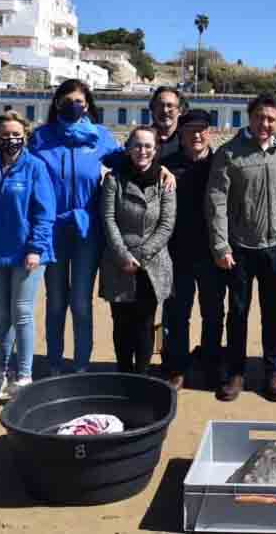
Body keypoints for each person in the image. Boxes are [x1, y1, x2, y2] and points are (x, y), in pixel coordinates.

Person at [29, 80, 122, 375]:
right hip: (51, 229)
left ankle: (81, 364)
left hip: (87, 231)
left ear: (88, 105)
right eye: (67, 100)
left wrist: (163, 169)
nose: (73, 105)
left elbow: (131, 162)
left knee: (81, 302)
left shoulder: (99, 137)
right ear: (56, 103)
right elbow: (20, 168)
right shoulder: (41, 138)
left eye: (79, 101)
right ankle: (54, 363)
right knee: (55, 302)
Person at [207, 93, 276, 402]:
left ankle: (273, 373)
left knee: (274, 313)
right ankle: (236, 373)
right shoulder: (229, 153)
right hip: (239, 247)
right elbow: (216, 202)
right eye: (259, 117)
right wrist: (221, 245)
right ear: (249, 117)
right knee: (238, 312)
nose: (264, 123)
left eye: (270, 118)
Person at [0, 112, 55, 402]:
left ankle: (24, 376)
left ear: (26, 135)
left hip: (28, 254)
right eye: (4, 134)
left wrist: (36, 247)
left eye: (15, 134)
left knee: (22, 313)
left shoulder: (35, 167)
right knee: (3, 316)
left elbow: (45, 212)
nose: (10, 140)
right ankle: (1, 374)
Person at [160, 109, 228, 389]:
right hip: (177, 252)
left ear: (209, 133)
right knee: (177, 312)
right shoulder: (166, 164)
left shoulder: (221, 163)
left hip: (212, 251)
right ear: (181, 134)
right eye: (190, 130)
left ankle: (210, 362)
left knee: (213, 311)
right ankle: (177, 366)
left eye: (202, 129)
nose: (197, 135)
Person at [100, 127, 176, 374]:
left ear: (155, 150)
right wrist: (124, 255)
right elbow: (108, 219)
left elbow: (166, 225)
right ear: (129, 148)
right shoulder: (114, 179)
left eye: (148, 146)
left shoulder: (165, 182)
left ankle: (143, 373)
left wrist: (141, 256)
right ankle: (124, 372)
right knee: (121, 324)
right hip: (118, 262)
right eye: (137, 145)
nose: (142, 151)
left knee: (148, 325)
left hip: (152, 263)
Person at [149, 86, 184, 160]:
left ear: (180, 110)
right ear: (153, 109)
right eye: (160, 105)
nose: (165, 110)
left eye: (170, 105)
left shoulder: (188, 142)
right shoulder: (142, 141)